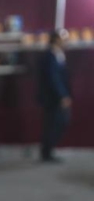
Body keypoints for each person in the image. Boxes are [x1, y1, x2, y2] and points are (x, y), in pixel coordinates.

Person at [37, 29, 72, 163]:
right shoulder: (50, 56)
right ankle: (47, 152)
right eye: (65, 39)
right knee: (54, 123)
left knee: (58, 123)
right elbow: (53, 78)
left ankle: (48, 151)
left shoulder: (59, 55)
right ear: (57, 40)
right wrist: (62, 95)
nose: (67, 42)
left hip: (57, 97)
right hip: (53, 98)